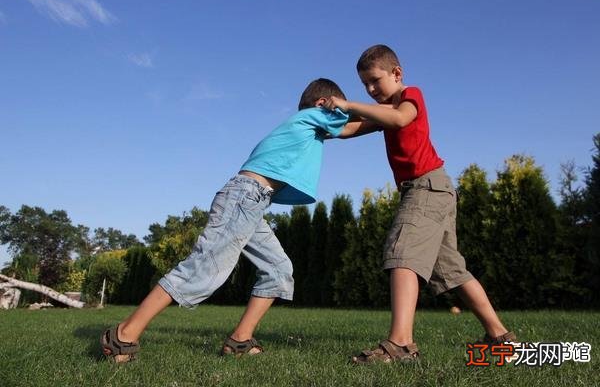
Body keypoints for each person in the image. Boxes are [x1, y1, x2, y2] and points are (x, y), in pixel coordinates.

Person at [101, 78, 350, 363]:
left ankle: (239, 340)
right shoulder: (312, 116)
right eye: (337, 110)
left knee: (278, 269)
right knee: (200, 270)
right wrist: (393, 117)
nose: (338, 117)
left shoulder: (308, 126)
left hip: (252, 202)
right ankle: (122, 335)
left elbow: (349, 127)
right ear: (323, 104)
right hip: (245, 198)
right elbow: (352, 126)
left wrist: (391, 119)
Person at [323, 44, 516, 364]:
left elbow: (400, 119)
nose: (371, 90)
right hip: (431, 189)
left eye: (375, 80)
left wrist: (348, 103)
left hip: (427, 186)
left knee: (402, 253)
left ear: (396, 73)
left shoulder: (410, 95)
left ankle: (400, 345)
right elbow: (350, 129)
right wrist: (320, 126)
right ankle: (501, 338)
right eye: (364, 85)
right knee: (452, 272)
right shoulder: (384, 109)